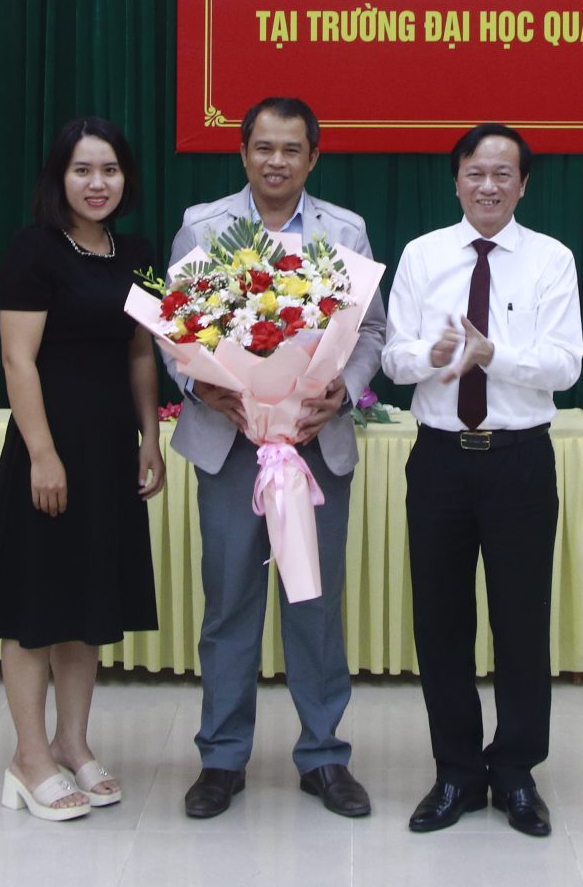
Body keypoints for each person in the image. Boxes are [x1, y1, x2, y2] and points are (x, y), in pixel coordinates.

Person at [168, 96, 387, 820]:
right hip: (231, 444)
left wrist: (344, 389)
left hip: (313, 447)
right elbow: (174, 327)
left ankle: (324, 756)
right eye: (263, 147)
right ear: (243, 153)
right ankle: (221, 757)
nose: (276, 161)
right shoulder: (204, 226)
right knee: (230, 602)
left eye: (292, 149)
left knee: (314, 605)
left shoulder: (345, 230)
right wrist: (200, 383)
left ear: (313, 157)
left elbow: (371, 332)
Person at [0, 117, 166, 821]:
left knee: (87, 601)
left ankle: (73, 742)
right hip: (50, 444)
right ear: (60, 177)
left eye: (110, 169)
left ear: (126, 177)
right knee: (37, 602)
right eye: (83, 170)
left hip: (109, 447)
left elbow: (140, 351)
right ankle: (29, 756)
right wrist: (43, 454)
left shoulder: (137, 253)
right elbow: (17, 360)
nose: (97, 183)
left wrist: (149, 438)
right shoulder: (35, 249)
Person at [382, 122, 583, 839]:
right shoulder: (422, 254)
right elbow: (393, 359)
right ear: (456, 180)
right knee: (440, 621)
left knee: (522, 620)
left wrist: (493, 355)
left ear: (523, 184)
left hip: (518, 459)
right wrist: (430, 354)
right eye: (476, 172)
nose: (488, 186)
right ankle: (457, 772)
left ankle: (517, 771)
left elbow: (566, 364)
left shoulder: (551, 260)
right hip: (440, 457)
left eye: (503, 174)